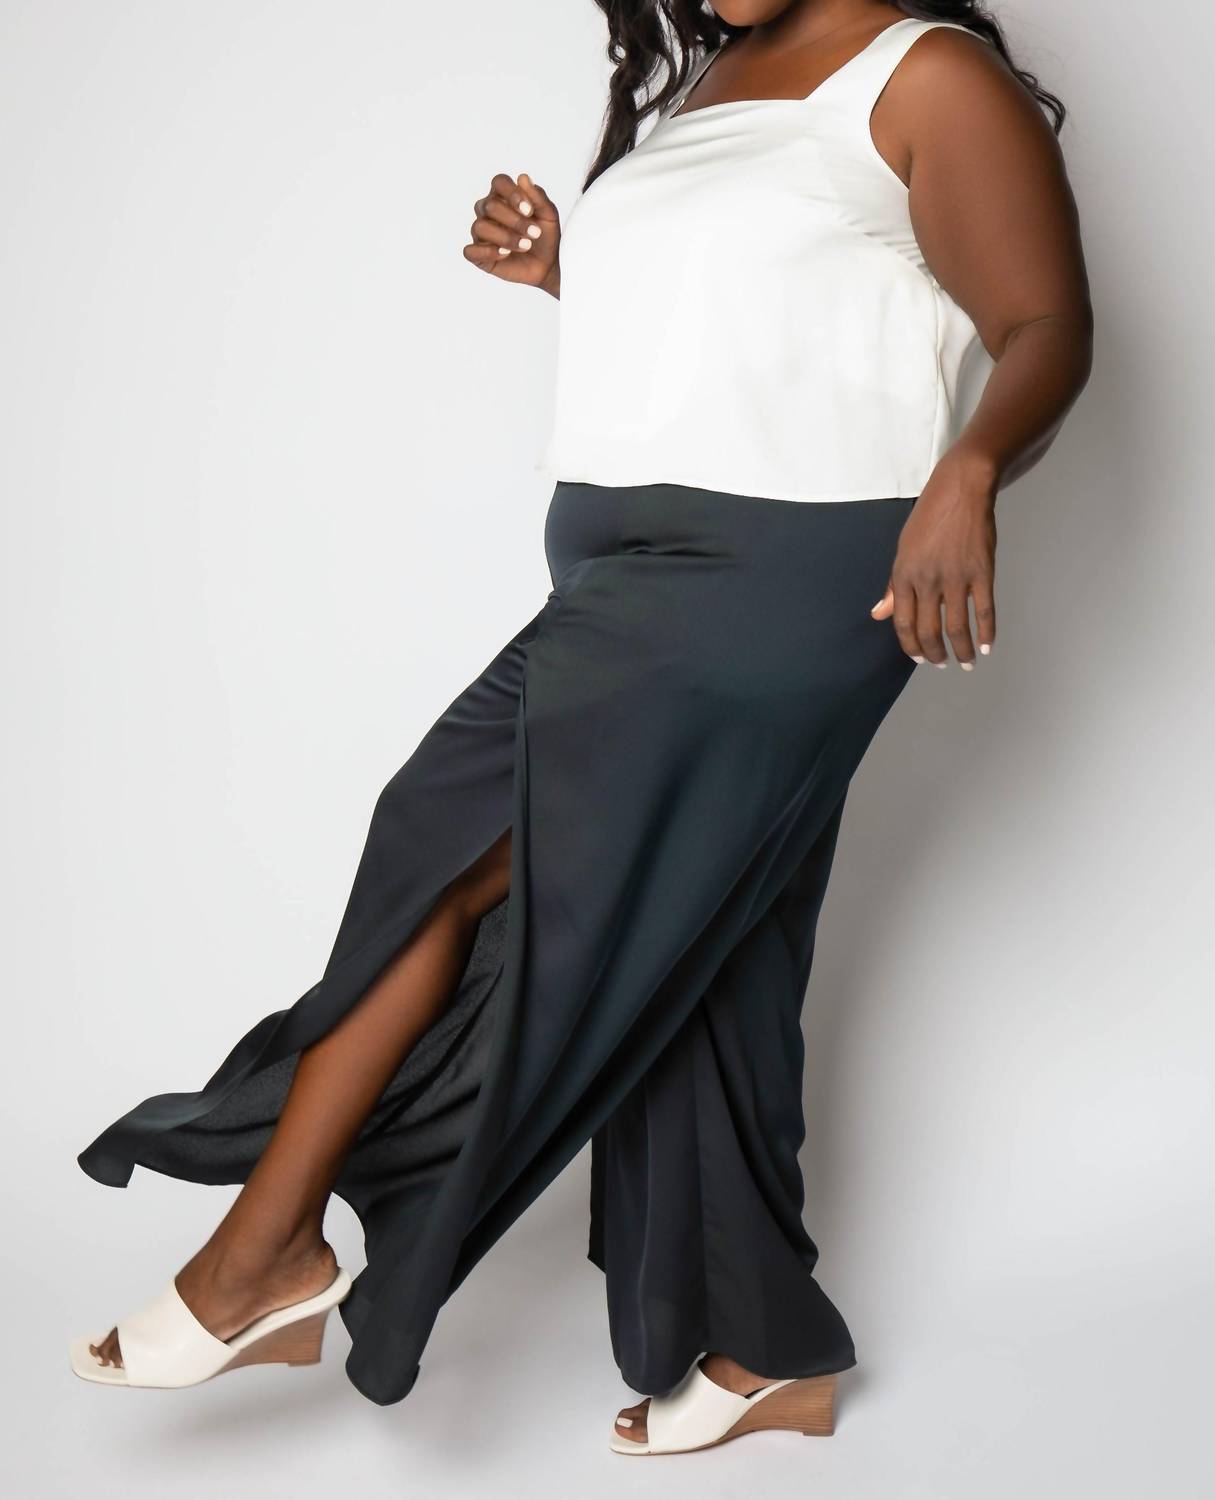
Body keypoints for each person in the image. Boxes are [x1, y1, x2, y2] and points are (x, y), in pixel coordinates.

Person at [70, 0, 1092, 1458]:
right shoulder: (719, 75)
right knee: (707, 950)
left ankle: (264, 1253)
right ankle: (766, 1347)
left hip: (777, 575)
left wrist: (970, 470)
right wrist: (576, 273)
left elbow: (1045, 322)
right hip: (634, 575)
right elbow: (771, 326)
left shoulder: (926, 73)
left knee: (448, 847)